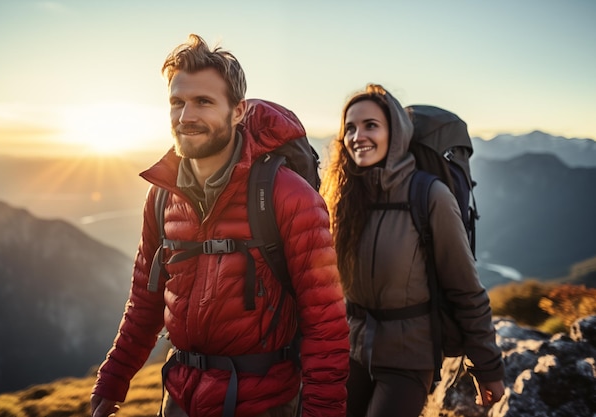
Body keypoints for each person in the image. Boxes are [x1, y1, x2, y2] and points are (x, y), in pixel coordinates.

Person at [90, 34, 349, 417]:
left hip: (265, 403)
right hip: (178, 399)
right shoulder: (162, 196)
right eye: (177, 102)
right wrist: (113, 380)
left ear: (238, 111)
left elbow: (325, 322)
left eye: (203, 102)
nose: (185, 116)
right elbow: (145, 301)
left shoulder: (286, 195)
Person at [320, 84, 505, 417]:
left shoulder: (429, 195)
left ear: (396, 134)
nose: (357, 136)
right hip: (351, 351)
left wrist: (488, 367)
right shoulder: (344, 197)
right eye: (350, 127)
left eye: (371, 125)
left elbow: (465, 288)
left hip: (409, 357)